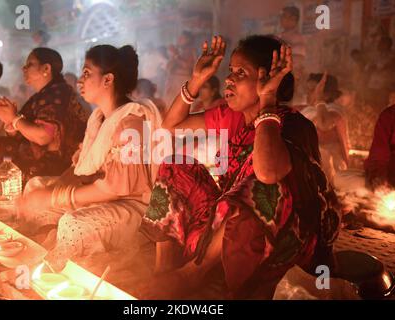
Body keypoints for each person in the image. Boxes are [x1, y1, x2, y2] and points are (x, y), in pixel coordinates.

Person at [140, 35, 341, 299]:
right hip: (228, 227)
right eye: (230, 72)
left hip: (277, 243)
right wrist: (197, 79)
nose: (228, 79)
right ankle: (164, 270)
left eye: (240, 73)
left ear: (267, 79)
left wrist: (267, 98)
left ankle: (192, 274)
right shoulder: (230, 115)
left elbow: (268, 175)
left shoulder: (294, 125)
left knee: (260, 186)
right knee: (175, 165)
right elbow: (172, 126)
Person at [18, 45, 162, 272]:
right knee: (34, 187)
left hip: (135, 208)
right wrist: (48, 192)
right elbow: (83, 172)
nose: (79, 80)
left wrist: (55, 197)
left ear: (108, 80)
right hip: (106, 200)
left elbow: (114, 189)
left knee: (72, 224)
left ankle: (58, 259)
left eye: (86, 73)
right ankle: (51, 242)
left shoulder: (130, 122)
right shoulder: (99, 120)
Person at [0, 48, 88, 185]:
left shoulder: (58, 93)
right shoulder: (43, 95)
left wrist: (14, 119)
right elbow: (24, 133)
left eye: (30, 64)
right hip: (37, 155)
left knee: (3, 158)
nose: (24, 69)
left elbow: (43, 137)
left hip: (59, 163)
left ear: (46, 68)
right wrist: (9, 120)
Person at [301, 73, 349, 184]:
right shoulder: (307, 110)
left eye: (313, 89)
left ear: (326, 94)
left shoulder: (335, 110)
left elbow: (324, 124)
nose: (308, 93)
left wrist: (319, 100)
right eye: (308, 89)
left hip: (330, 173)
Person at [365, 103, 395, 189]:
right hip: (391, 181)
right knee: (343, 178)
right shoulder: (391, 115)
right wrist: (378, 178)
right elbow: (379, 156)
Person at [164, 31, 197, 104]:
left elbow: (187, 66)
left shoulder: (191, 50)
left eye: (181, 38)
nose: (178, 39)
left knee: (181, 102)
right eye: (179, 37)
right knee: (170, 102)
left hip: (183, 80)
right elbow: (168, 67)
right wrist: (173, 56)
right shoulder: (178, 50)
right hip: (173, 80)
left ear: (188, 40)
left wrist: (176, 55)